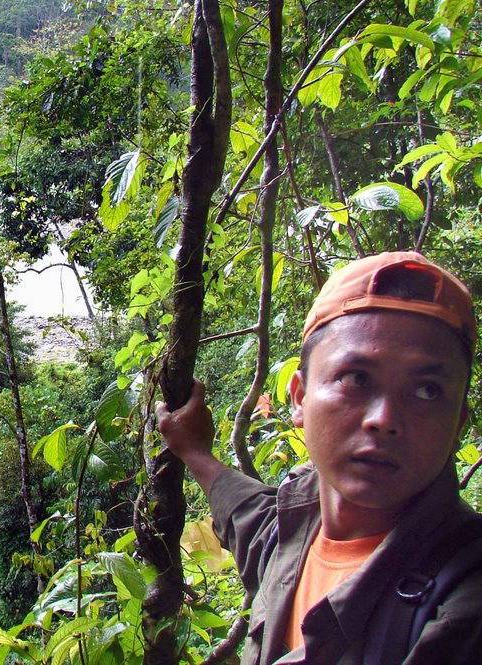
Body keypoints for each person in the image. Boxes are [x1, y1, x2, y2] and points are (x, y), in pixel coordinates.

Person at [156, 251, 482, 664]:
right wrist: (195, 452)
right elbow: (250, 518)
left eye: (427, 391)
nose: (384, 420)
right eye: (356, 379)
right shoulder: (293, 531)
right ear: (299, 398)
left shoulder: (463, 608)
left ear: (457, 425)